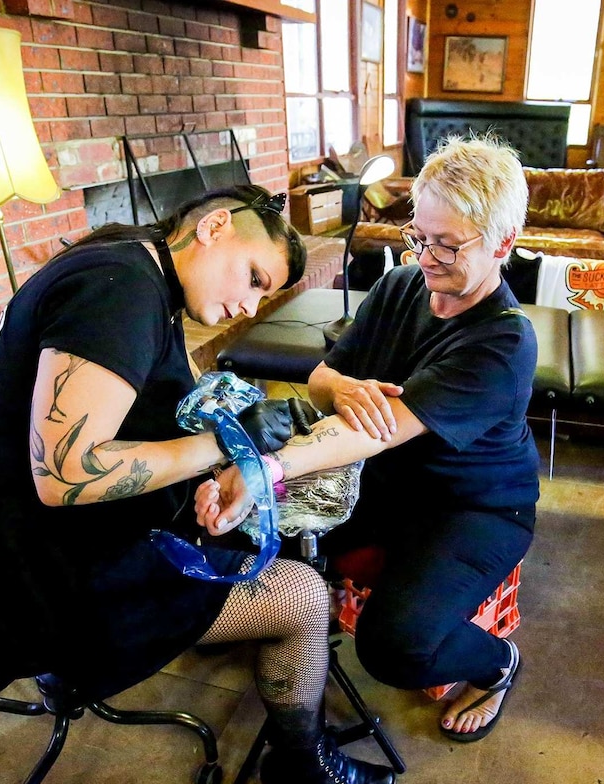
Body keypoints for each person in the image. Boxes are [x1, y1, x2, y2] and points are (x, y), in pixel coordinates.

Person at [0, 184, 396, 784]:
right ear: (214, 227)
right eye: (255, 278)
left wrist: (201, 465)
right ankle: (302, 766)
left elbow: (118, 425)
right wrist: (218, 446)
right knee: (303, 595)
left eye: (263, 296)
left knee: (243, 532)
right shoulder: (118, 290)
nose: (246, 303)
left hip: (8, 547)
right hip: (46, 580)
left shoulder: (133, 261)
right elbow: (65, 474)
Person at [196, 136, 540, 744]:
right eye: (420, 236)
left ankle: (497, 665)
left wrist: (262, 470)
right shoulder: (402, 286)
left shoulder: (503, 343)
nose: (427, 257)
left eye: (448, 244)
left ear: (502, 243)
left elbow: (368, 434)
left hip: (473, 507)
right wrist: (342, 389)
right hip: (385, 482)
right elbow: (324, 378)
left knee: (394, 648)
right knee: (248, 540)